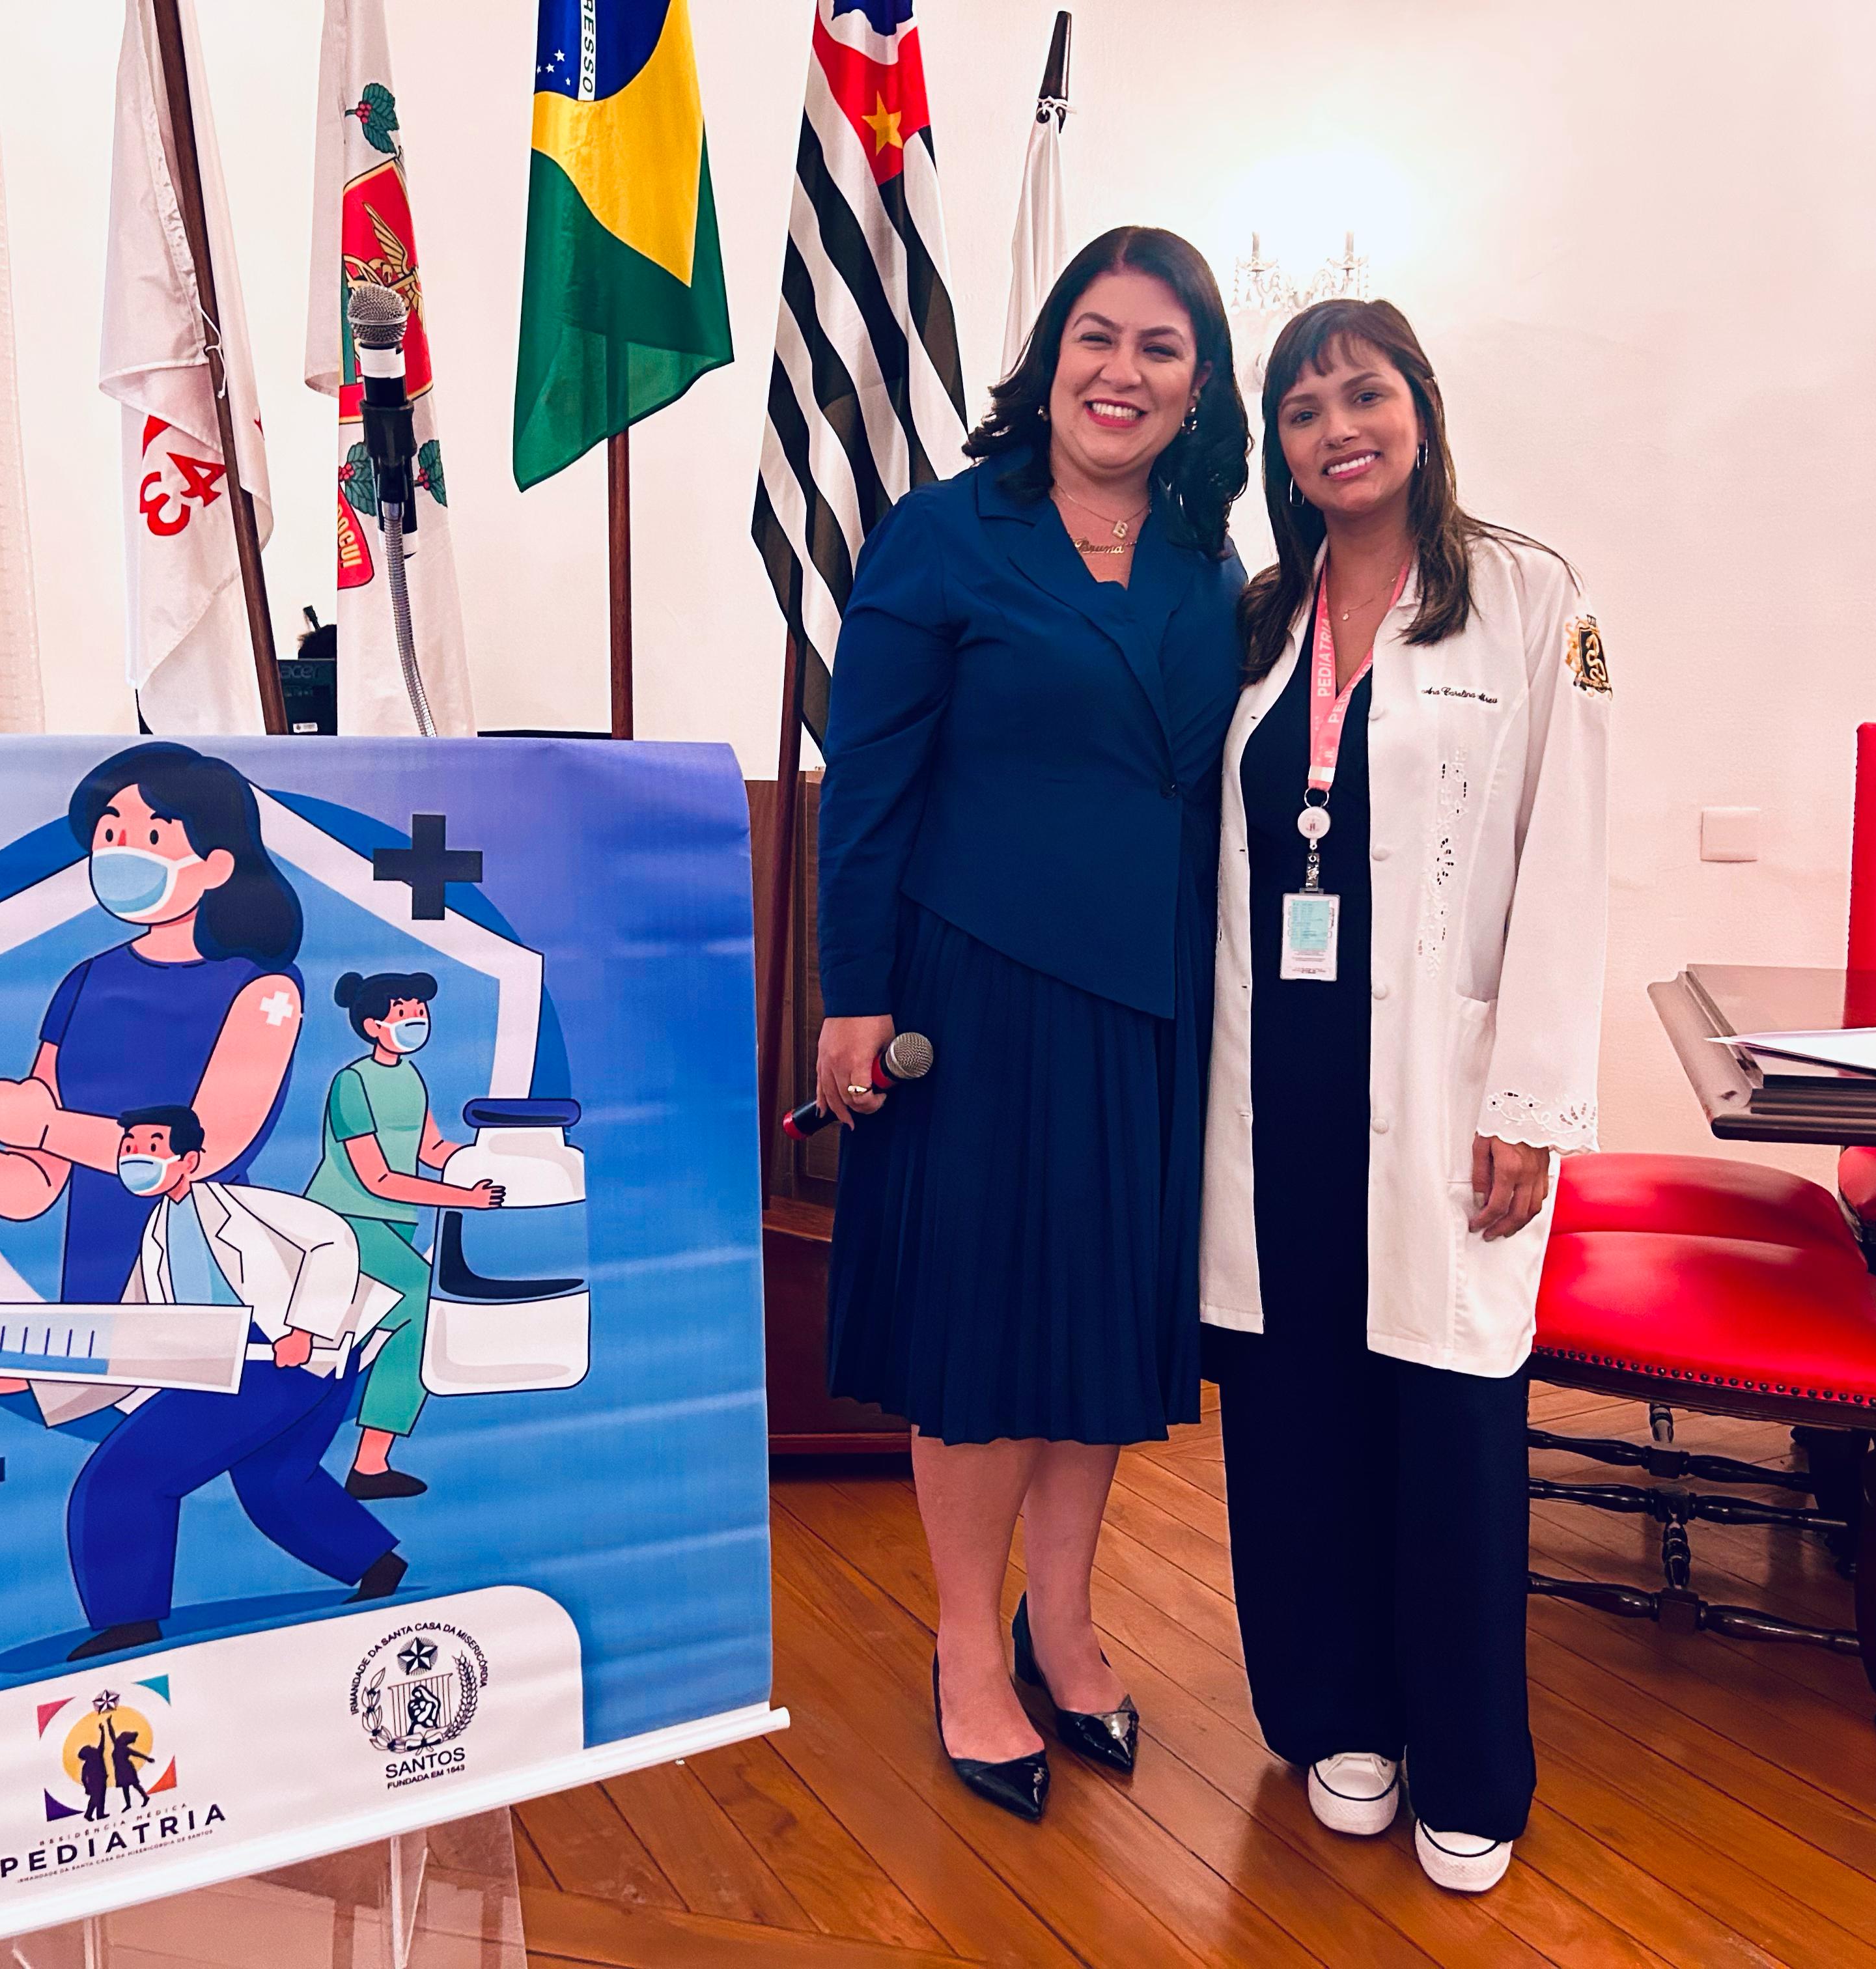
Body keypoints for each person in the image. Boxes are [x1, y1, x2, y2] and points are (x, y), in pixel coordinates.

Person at [815, 226, 1252, 1824]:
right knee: (985, 1335)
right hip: (976, 992)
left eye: (1160, 348)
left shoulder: (1210, 561)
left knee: (1096, 1329)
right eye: (1097, 337)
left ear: (1199, 388)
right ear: (1049, 358)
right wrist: (851, 994)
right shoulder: (945, 535)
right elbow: (869, 784)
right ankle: (964, 1641)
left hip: (1150, 999)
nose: (1121, 373)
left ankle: (1060, 1622)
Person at [1197, 298, 1608, 1892]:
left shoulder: (1528, 596)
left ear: (1419, 409)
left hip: (1445, 1084)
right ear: (1280, 449)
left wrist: (1534, 1105)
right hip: (1277, 1077)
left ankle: (1472, 1764)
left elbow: (1567, 857)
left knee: (1447, 1419)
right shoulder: (1259, 617)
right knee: (1294, 1409)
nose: (1336, 430)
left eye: (1362, 394)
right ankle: (1337, 1713)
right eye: (1302, 411)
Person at [0, 742, 307, 1304]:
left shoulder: (264, 990)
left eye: (153, 838)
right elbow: (31, 1187)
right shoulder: (86, 982)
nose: (123, 853)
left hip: (205, 1276)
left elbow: (206, 1151)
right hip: (93, 1292)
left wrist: (45, 1126)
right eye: (110, 834)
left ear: (215, 867)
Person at [43, 1106, 409, 1660]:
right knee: (274, 1482)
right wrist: (37, 1377)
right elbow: (134, 1333)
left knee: (124, 1478)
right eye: (130, 1146)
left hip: (283, 1355)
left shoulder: (243, 1207)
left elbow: (332, 1239)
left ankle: (131, 1621)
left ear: (190, 1160)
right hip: (234, 1360)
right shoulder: (158, 1233)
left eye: (152, 1146)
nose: (136, 1157)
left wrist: (306, 1328)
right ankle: (378, 1566)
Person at [303, 970, 505, 1500]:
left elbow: (432, 1150)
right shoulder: (351, 1084)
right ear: (373, 1025)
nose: (416, 1020)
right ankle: (369, 1464)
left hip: (391, 1225)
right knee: (419, 1304)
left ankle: (360, 1455)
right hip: (345, 1222)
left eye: (420, 1011)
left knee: (392, 1322)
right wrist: (464, 1198)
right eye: (403, 1013)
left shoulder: (411, 1078)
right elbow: (377, 1178)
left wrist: (491, 1160)